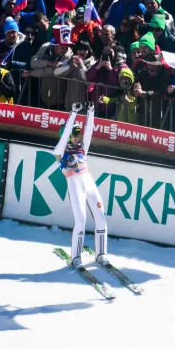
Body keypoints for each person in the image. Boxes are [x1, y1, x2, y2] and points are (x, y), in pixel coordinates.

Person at [52, 103, 109, 268]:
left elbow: (89, 131)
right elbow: (63, 140)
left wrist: (91, 112)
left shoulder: (82, 149)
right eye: (74, 133)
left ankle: (101, 254)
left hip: (89, 184)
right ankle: (76, 257)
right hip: (75, 188)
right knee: (81, 220)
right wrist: (73, 113)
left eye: (78, 133)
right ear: (68, 134)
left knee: (100, 215)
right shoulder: (59, 152)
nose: (78, 136)